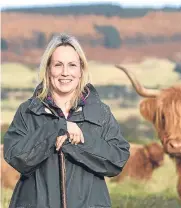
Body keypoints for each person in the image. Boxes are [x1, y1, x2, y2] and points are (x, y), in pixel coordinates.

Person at [3, 33, 130, 208]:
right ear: (48, 69)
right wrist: (56, 129)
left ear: (81, 70)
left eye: (72, 65)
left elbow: (117, 161)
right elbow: (16, 157)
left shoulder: (100, 113)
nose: (65, 73)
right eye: (58, 65)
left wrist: (73, 141)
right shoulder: (28, 111)